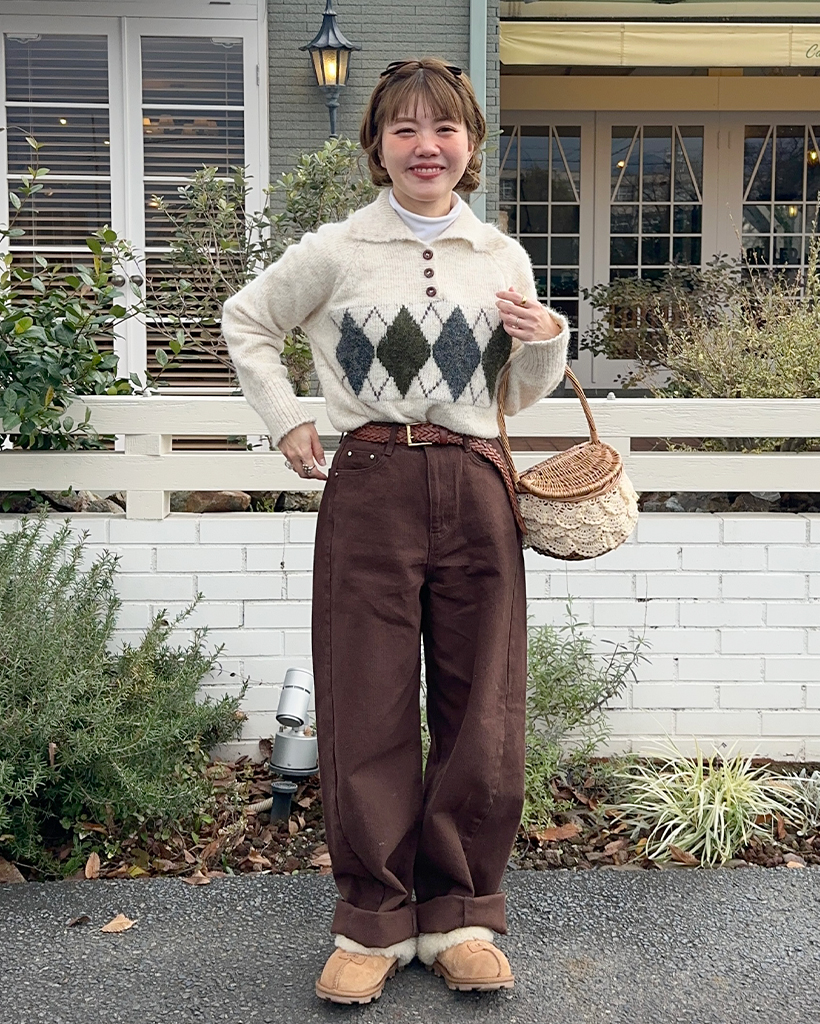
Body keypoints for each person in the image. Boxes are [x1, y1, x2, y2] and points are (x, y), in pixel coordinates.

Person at [221, 57, 569, 1005]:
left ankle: (461, 915)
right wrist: (285, 418)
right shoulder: (336, 250)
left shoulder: (499, 256)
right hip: (370, 480)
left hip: (477, 481)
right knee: (364, 699)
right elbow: (247, 321)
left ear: (471, 143)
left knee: (482, 704)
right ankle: (372, 920)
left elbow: (514, 398)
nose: (426, 145)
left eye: (444, 128)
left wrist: (546, 341)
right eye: (405, 128)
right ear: (377, 144)